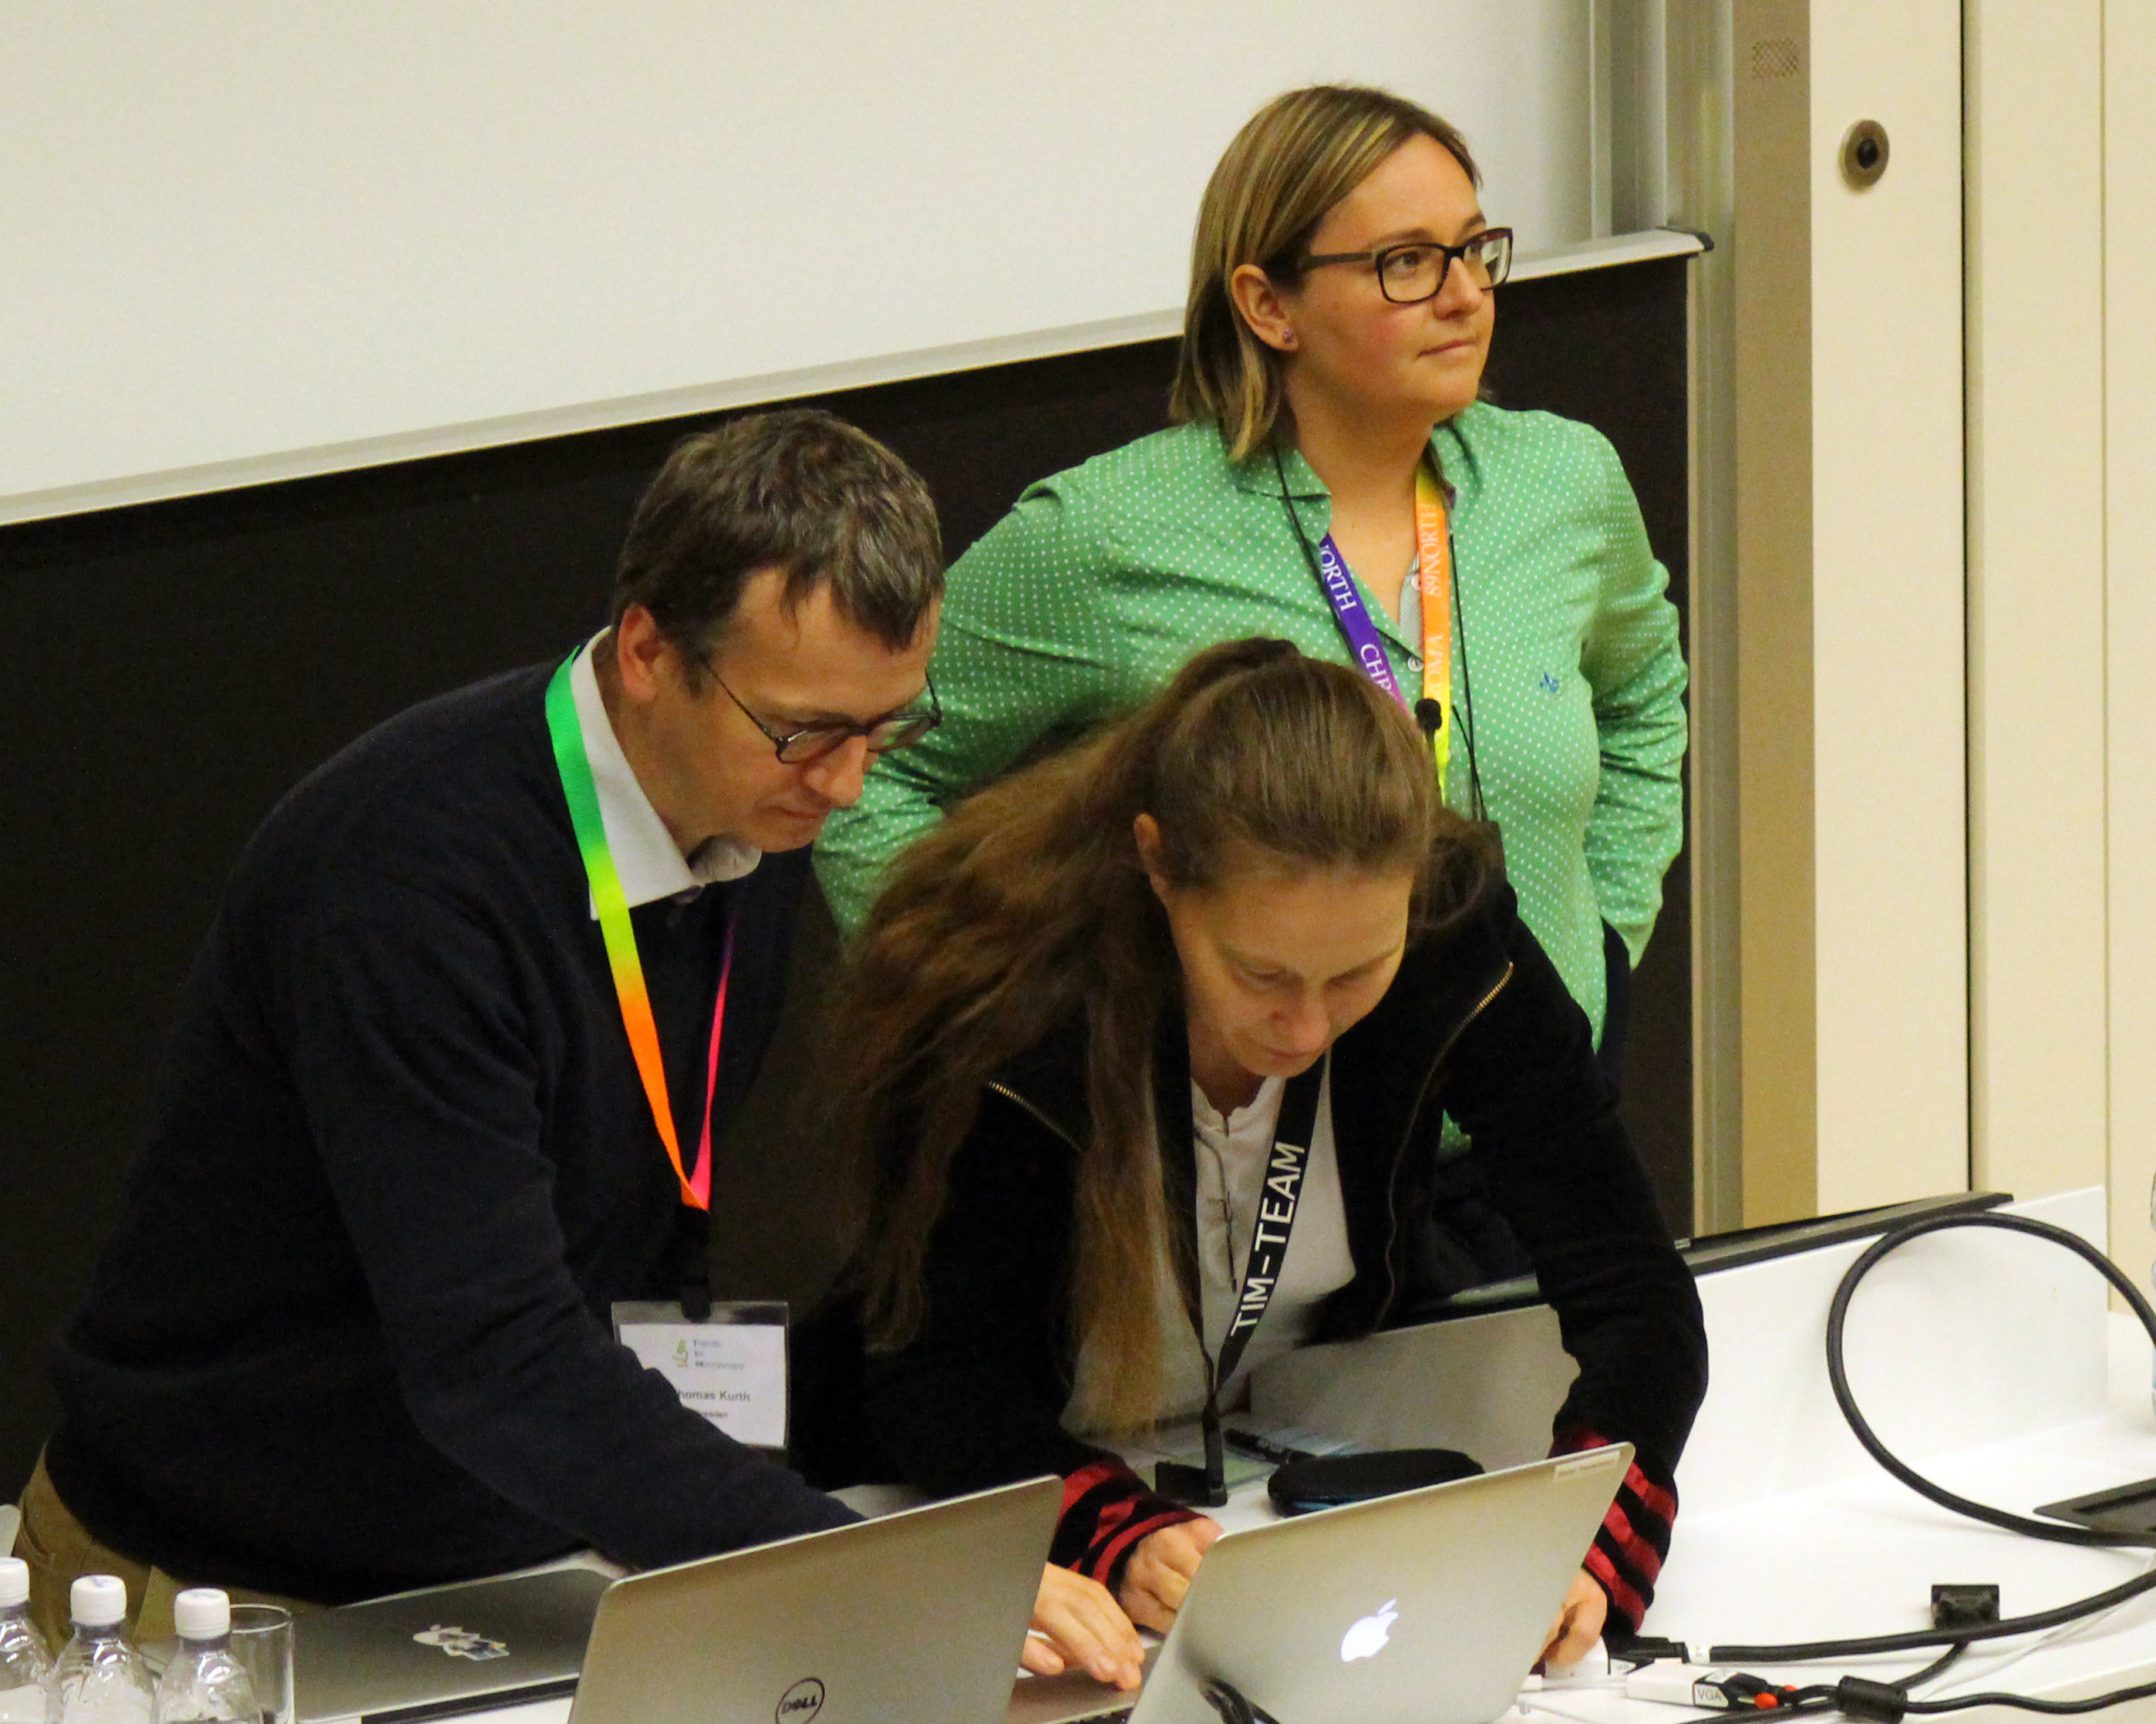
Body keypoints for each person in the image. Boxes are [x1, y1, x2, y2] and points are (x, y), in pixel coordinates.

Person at [14, 409, 1127, 1659]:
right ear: (648, 651)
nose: (849, 783)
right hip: (212, 1594)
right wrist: (857, 1569)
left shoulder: (745, 812)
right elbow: (491, 1354)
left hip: (502, 1562)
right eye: (806, 731)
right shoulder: (406, 882)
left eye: (888, 728)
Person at [830, 639, 1707, 1678]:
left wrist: (1580, 1540)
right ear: (1159, 866)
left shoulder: (1450, 938)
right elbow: (934, 1373)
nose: (1305, 1026)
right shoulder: (1009, 995)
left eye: (1356, 975)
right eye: (1260, 974)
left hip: (1271, 1487)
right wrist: (1108, 1528)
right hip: (971, 1519)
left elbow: (1637, 1295)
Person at [815, 83, 1686, 1096]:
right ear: (1269, 305)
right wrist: (1008, 1021)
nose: (1465, 296)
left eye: (1474, 249)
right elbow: (865, 766)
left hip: (1537, 1113)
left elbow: (1642, 695)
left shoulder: (1563, 482)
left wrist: (1605, 944)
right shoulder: (1109, 532)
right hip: (1234, 1148)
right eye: (1407, 263)